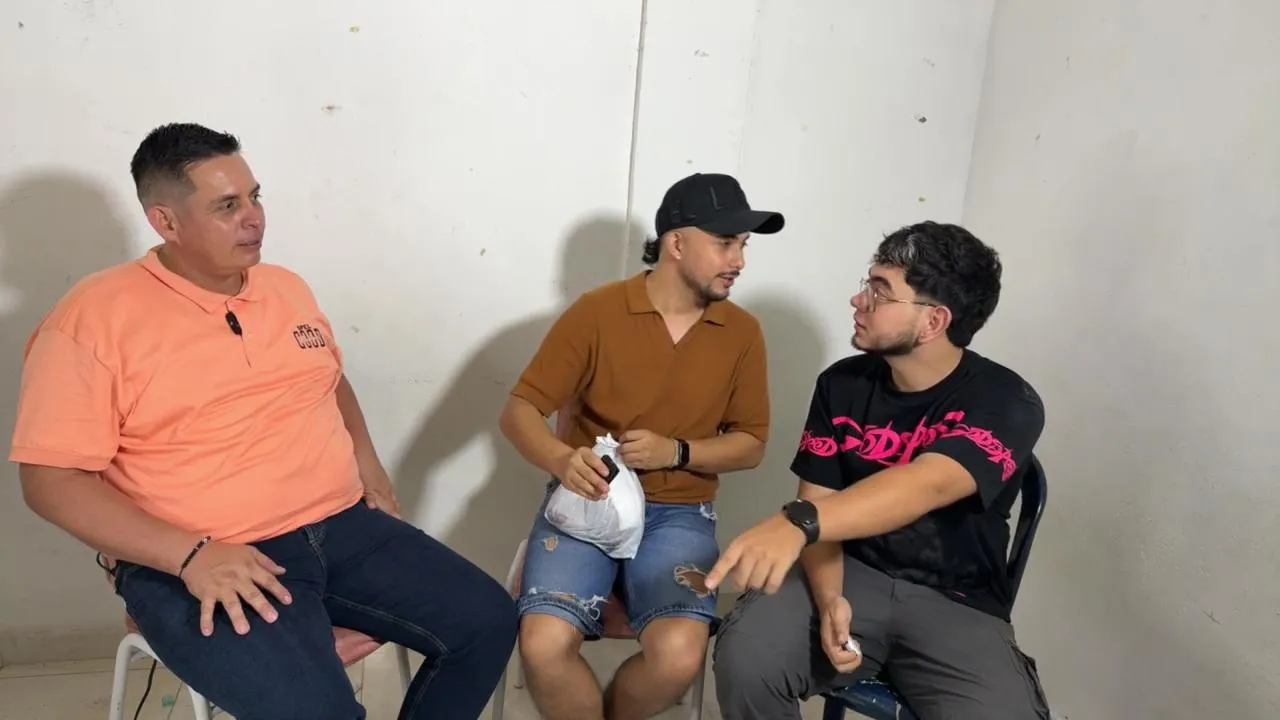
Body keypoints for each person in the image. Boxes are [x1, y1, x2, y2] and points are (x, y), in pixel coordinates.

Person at [9, 123, 517, 720]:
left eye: (255, 196)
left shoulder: (284, 288)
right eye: (227, 206)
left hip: (341, 526)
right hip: (205, 554)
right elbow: (50, 480)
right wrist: (189, 555)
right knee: (318, 712)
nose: (254, 219)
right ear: (166, 221)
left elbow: (326, 380)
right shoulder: (92, 320)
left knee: (487, 621)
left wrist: (369, 467)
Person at [708, 221, 1052, 720]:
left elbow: (928, 482)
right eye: (866, 284)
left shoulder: (1006, 400)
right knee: (746, 658)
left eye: (879, 291)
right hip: (851, 572)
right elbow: (819, 500)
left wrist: (797, 522)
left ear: (933, 321)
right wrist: (830, 599)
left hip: (957, 602)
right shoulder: (841, 384)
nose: (858, 300)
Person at [498, 173, 781, 720]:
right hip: (589, 501)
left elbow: (751, 444)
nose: (739, 261)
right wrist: (563, 460)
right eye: (726, 243)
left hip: (680, 512)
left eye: (744, 245)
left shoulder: (741, 332)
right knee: (543, 645)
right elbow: (520, 411)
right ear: (676, 243)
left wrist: (677, 452)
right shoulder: (597, 311)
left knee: (678, 656)